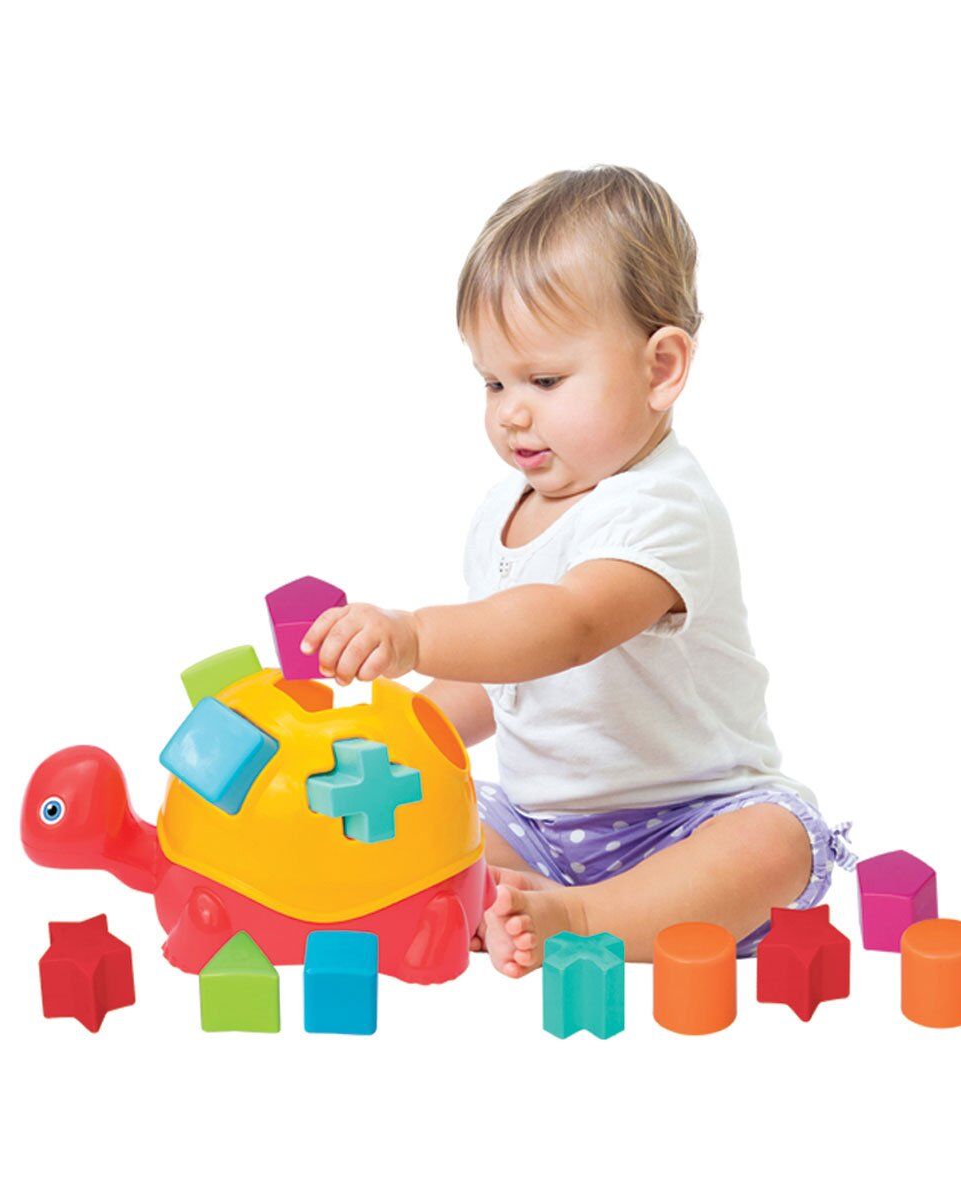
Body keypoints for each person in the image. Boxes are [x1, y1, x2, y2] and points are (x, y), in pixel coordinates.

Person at [301, 165, 855, 977]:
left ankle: (586, 917)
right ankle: (517, 897)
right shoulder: (504, 509)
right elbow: (504, 674)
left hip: (691, 823)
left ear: (660, 369)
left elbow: (567, 628)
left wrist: (414, 633)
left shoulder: (663, 509)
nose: (510, 410)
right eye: (493, 381)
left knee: (773, 842)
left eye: (545, 380)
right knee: (427, 817)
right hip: (539, 829)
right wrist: (392, 741)